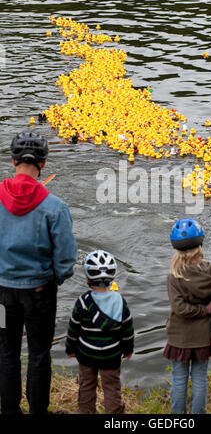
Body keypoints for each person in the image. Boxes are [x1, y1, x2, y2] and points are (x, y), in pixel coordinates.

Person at [0, 132, 77, 415]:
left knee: (6, 351)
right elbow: (66, 258)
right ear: (43, 164)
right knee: (38, 353)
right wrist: (55, 277)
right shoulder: (55, 207)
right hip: (39, 293)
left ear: (13, 160)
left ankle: (9, 411)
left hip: (0, 294)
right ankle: (38, 412)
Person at [163, 218, 211, 414]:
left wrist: (198, 311)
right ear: (200, 244)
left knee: (179, 379)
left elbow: (179, 308)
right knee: (199, 378)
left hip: (179, 337)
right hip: (203, 337)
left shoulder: (174, 275)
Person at [66, 249, 134, 414]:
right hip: (111, 356)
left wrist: (70, 348)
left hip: (87, 354)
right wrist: (127, 349)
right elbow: (128, 329)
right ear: (112, 277)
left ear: (88, 278)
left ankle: (85, 411)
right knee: (111, 388)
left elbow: (73, 328)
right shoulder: (120, 302)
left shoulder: (82, 302)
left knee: (86, 385)